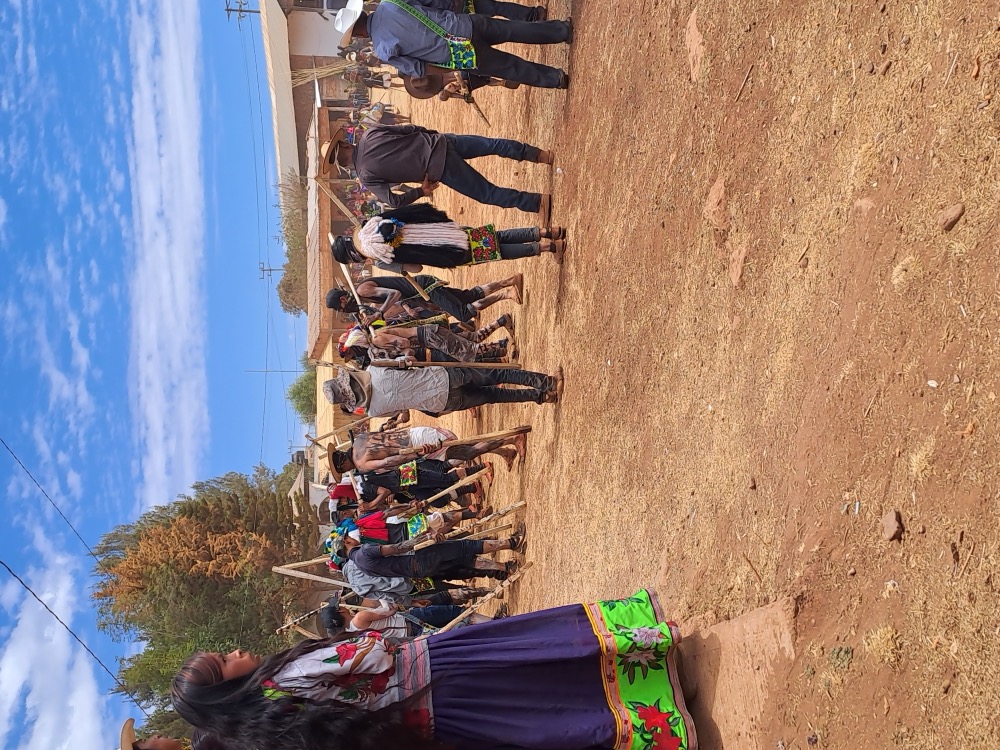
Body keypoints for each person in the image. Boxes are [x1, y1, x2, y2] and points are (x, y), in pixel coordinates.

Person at [170, 589, 698, 750]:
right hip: (440, 669)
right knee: (535, 656)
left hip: (432, 723)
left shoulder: (273, 732)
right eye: (225, 661)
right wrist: (374, 631)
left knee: (538, 717)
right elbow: (368, 654)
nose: (237, 652)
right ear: (228, 687)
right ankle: (644, 646)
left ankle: (654, 720)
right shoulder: (281, 681)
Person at [334, 0, 572, 91]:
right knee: (513, 29)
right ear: (363, 13)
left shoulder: (383, 49)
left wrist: (448, 70)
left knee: (510, 68)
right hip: (463, 24)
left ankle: (556, 79)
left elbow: (419, 69)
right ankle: (562, 30)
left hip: (459, 54)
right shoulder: (390, 4)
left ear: (358, 35)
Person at [320, 123, 555, 215]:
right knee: (491, 144)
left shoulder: (366, 176)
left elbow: (394, 201)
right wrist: (431, 134)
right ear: (344, 143)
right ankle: (538, 155)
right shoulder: (371, 133)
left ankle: (536, 202)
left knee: (487, 193)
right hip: (440, 142)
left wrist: (421, 192)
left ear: (341, 164)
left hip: (438, 168)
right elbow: (409, 128)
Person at [331, 204, 565, 273]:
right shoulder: (373, 223)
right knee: (494, 237)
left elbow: (417, 268)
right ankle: (546, 232)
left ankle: (547, 247)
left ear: (353, 258)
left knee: (497, 251)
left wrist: (400, 268)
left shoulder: (380, 256)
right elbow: (411, 212)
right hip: (445, 230)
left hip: (446, 250)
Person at [321, 361, 563, 417]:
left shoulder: (373, 412)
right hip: (442, 376)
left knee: (494, 395)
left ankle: (541, 397)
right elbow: (407, 361)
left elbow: (401, 413)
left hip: (441, 403)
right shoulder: (375, 366)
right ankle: (546, 382)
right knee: (497, 374)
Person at [342, 520, 525, 582]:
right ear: (346, 542)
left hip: (418, 571)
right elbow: (396, 548)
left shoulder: (361, 566)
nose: (351, 536)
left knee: (465, 561)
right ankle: (511, 542)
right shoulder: (363, 552)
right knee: (466, 547)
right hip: (420, 556)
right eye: (347, 537)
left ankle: (504, 567)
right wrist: (424, 538)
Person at [326, 273, 522, 325]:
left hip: (425, 287)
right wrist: (408, 308)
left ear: (343, 299)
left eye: (341, 307)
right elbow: (398, 293)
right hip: (421, 291)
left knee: (463, 314)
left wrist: (378, 312)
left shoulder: (363, 289)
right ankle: (509, 281)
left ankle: (505, 294)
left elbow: (392, 294)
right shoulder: (362, 295)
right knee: (468, 296)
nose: (343, 311)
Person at [336, 424, 529, 473]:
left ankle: (512, 439)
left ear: (344, 463)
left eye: (343, 470)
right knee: (464, 450)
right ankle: (506, 452)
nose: (347, 472)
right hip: (414, 434)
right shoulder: (359, 440)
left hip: (418, 447)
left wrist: (417, 454)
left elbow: (389, 461)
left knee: (468, 452)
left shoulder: (361, 464)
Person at [320, 591, 502, 638]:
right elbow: (389, 610)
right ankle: (496, 623)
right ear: (340, 611)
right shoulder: (360, 618)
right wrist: (381, 594)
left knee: (456, 628)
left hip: (412, 634)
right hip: (413, 621)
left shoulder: (354, 634)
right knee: (457, 613)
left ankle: (493, 628)